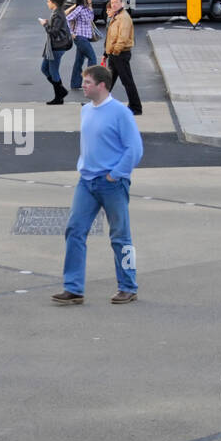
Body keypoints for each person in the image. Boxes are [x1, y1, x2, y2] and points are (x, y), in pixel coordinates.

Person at [51, 64, 144, 306]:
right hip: (87, 182)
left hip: (112, 183)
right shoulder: (86, 111)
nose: (83, 86)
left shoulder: (120, 113)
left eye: (87, 82)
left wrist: (117, 174)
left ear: (102, 85)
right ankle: (73, 288)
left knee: (120, 236)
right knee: (74, 230)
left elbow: (134, 149)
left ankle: (128, 287)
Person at [102, 0, 142, 115]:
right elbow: (110, 38)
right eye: (112, 2)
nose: (113, 4)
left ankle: (136, 107)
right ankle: (99, 103)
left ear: (122, 4)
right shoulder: (116, 16)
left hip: (120, 54)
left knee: (127, 81)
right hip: (114, 54)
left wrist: (115, 52)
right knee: (109, 80)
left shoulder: (124, 18)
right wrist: (106, 53)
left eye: (116, 2)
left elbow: (122, 38)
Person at [40, 0, 73, 104]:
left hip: (57, 47)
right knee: (44, 68)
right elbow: (56, 27)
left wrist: (44, 24)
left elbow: (54, 32)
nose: (47, 3)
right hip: (53, 47)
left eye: (48, 1)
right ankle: (61, 91)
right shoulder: (57, 12)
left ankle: (59, 97)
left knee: (53, 71)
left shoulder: (58, 14)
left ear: (54, 3)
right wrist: (48, 23)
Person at [66, 0, 97, 91]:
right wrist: (71, 33)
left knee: (79, 61)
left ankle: (75, 84)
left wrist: (91, 8)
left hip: (85, 37)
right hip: (80, 37)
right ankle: (90, 83)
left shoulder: (87, 9)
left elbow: (91, 19)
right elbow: (67, 19)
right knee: (92, 58)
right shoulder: (79, 9)